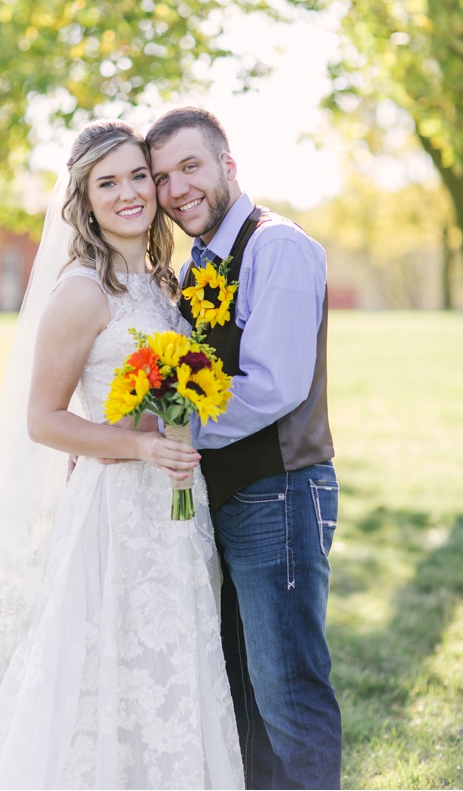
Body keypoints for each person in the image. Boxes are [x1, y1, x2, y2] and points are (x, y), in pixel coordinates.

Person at [0, 122, 243, 789]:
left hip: (174, 514)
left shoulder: (167, 282)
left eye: (139, 175)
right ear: (83, 200)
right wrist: (138, 443)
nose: (129, 193)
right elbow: (42, 419)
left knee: (168, 668)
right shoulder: (82, 290)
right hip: (114, 517)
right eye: (108, 183)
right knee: (99, 668)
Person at [146, 106, 340, 790]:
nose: (176, 190)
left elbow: (272, 386)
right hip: (226, 498)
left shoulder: (275, 245)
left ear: (229, 165)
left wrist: (167, 432)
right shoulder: (202, 262)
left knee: (288, 693)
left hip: (279, 493)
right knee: (244, 697)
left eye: (190, 167)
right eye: (163, 176)